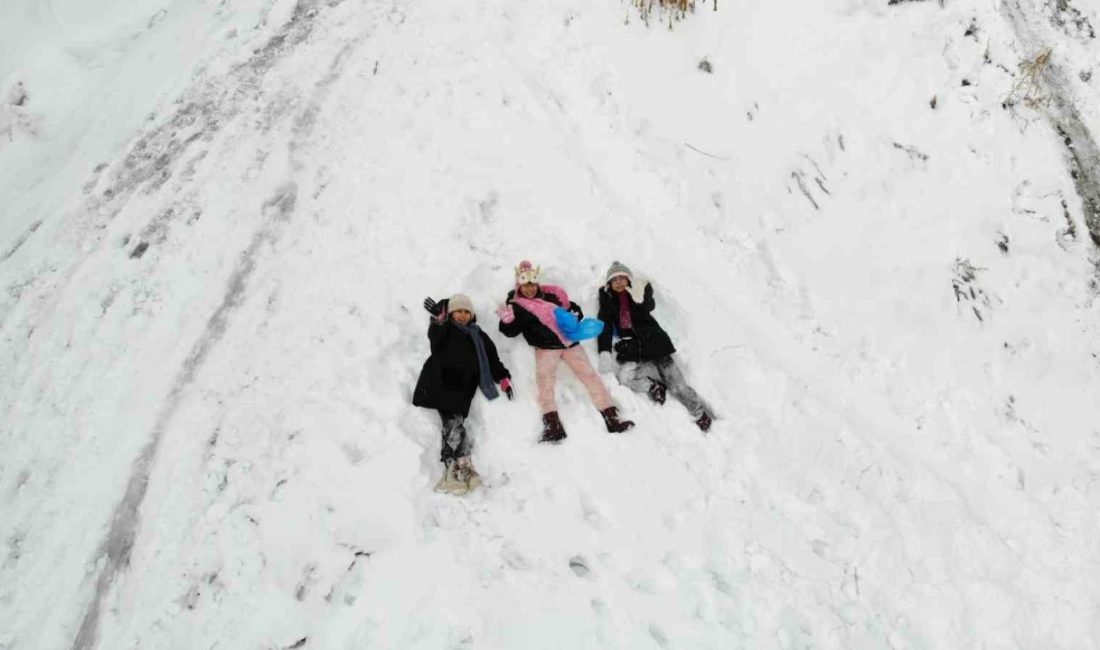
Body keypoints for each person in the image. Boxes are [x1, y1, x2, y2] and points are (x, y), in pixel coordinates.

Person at [497, 260, 634, 443]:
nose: (529, 289)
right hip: (545, 349)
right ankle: (553, 425)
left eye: (532, 285)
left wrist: (575, 315)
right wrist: (507, 322)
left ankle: (612, 417)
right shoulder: (517, 306)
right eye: (525, 286)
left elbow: (573, 310)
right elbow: (511, 331)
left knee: (590, 377)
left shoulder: (553, 296)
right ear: (519, 287)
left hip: (570, 344)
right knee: (545, 384)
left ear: (537, 284)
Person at [413, 293, 514, 494]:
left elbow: (492, 360)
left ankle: (463, 466)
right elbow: (435, 339)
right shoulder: (446, 330)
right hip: (441, 382)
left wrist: (503, 378)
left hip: (463, 388)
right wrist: (439, 322)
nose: (463, 315)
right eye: (458, 311)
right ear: (451, 313)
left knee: (457, 424)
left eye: (467, 312)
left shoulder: (479, 336)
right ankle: (452, 469)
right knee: (453, 424)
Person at [596, 261, 715, 431]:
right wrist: (604, 351)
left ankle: (699, 414)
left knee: (676, 384)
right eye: (615, 280)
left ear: (629, 280)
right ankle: (653, 386)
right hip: (633, 348)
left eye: (623, 278)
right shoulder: (608, 302)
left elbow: (648, 306)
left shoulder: (638, 293)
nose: (619, 282)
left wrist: (640, 295)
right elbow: (605, 326)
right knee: (625, 379)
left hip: (655, 342)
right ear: (609, 284)